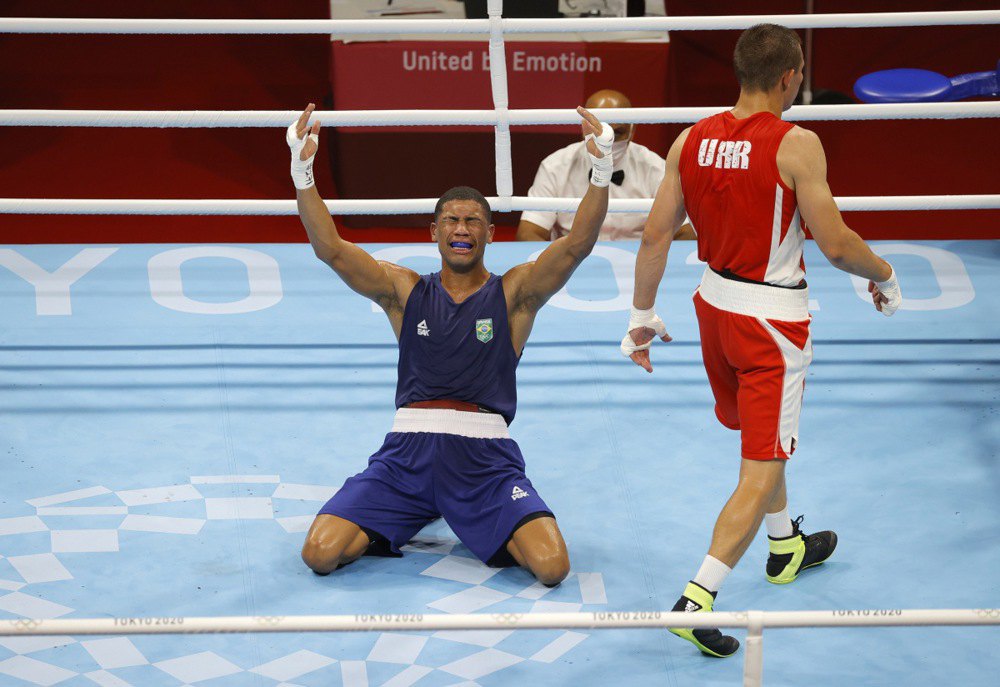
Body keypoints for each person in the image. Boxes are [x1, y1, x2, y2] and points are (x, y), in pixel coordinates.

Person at [621, 24, 903, 657]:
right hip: (771, 326)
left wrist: (640, 315)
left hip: (713, 312)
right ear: (788, 77)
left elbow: (654, 236)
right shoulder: (797, 144)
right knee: (762, 464)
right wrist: (884, 274)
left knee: (762, 440)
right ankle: (697, 599)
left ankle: (785, 548)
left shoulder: (689, 140)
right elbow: (833, 245)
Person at [288, 102, 614, 585]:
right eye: (452, 221)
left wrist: (601, 167)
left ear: (489, 233)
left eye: (473, 221)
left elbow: (575, 246)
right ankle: (418, 510)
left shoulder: (513, 293)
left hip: (486, 464)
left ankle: (465, 513)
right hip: (405, 457)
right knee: (320, 553)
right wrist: (303, 169)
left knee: (552, 568)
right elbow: (330, 248)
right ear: (435, 232)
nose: (462, 229)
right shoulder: (403, 292)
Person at [517, 88, 696, 242]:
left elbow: (686, 233)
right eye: (599, 131)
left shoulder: (656, 168)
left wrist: (652, 258)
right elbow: (528, 233)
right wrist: (557, 265)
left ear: (633, 130)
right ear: (584, 128)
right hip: (570, 263)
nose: (607, 141)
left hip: (636, 263)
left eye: (617, 133)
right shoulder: (555, 166)